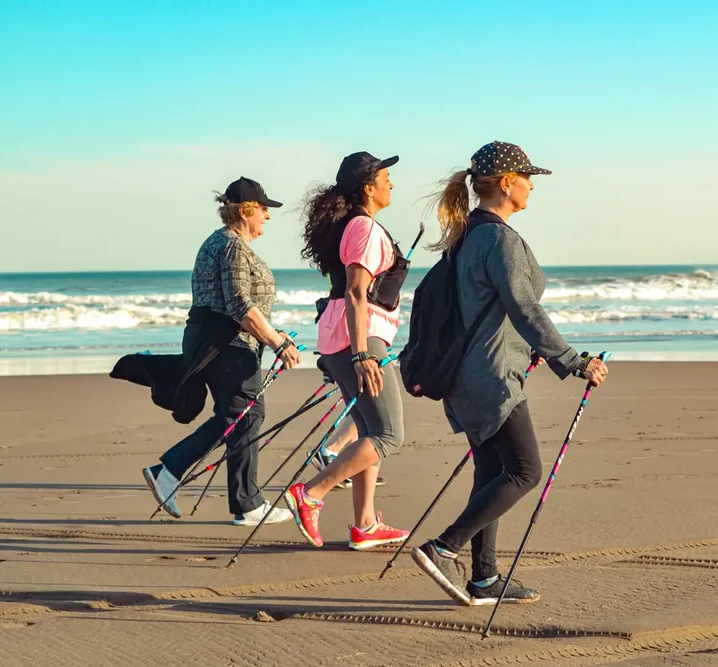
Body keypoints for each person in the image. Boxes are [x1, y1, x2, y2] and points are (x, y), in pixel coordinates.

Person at [409, 141, 609, 605]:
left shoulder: (468, 236)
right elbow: (524, 307)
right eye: (526, 177)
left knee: (492, 473)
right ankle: (443, 548)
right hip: (489, 377)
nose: (532, 185)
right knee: (524, 471)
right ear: (505, 183)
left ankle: (484, 578)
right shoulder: (498, 238)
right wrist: (573, 360)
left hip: (464, 375)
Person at [142, 176, 302, 526]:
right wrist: (279, 343)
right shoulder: (231, 246)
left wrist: (273, 333)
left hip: (222, 344)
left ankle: (169, 470)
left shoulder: (228, 244)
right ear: (246, 210)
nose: (268, 217)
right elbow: (239, 305)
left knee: (236, 417)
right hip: (226, 346)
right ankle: (246, 504)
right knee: (247, 415)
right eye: (264, 209)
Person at [284, 151, 410, 551]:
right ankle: (312, 493)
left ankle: (365, 523)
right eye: (385, 178)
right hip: (360, 339)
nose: (392, 184)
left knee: (370, 431)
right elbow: (356, 292)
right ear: (367, 188)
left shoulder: (354, 226)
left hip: (344, 337)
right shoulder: (365, 228)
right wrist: (363, 355)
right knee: (389, 434)